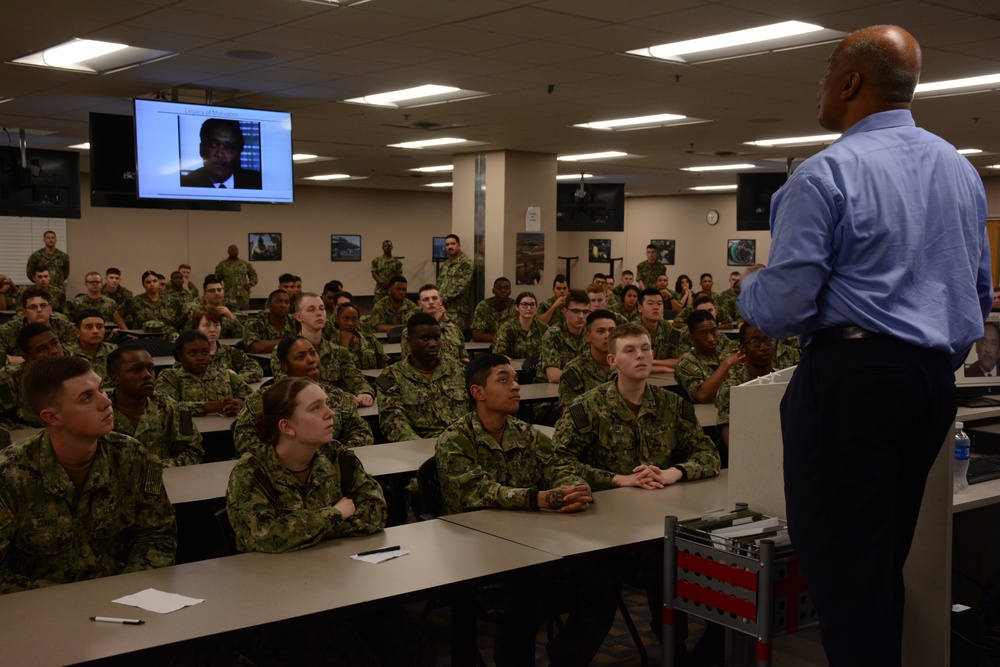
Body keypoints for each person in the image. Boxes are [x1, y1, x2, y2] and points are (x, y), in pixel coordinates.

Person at [737, 26, 991, 666]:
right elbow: (978, 289)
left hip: (852, 381)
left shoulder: (825, 175)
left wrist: (751, 290)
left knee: (846, 573)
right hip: (931, 383)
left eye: (826, 70)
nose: (820, 85)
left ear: (850, 82)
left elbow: (786, 308)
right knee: (880, 562)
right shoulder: (961, 172)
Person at [226, 377, 428, 667]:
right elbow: (266, 535)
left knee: (410, 637)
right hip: (282, 598)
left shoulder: (338, 456)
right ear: (287, 426)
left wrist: (306, 530)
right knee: (340, 653)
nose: (330, 413)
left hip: (342, 581)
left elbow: (375, 511)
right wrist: (335, 513)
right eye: (316, 408)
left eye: (328, 404)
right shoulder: (250, 473)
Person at [436, 354, 620, 667]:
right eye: (503, 380)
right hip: (483, 560)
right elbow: (476, 492)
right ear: (478, 392)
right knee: (525, 599)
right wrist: (538, 499)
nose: (516, 387)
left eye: (516, 379)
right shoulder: (455, 440)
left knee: (603, 584)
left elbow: (558, 467)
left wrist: (573, 488)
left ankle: (564, 660)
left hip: (537, 550)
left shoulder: (526, 433)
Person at [0, 355, 176, 594]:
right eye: (86, 397)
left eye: (102, 389)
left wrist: (129, 590)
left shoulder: (132, 456)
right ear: (52, 417)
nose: (106, 402)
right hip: (40, 612)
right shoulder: (9, 475)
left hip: (123, 601)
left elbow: (156, 536)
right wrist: (71, 602)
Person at [233, 336, 373, 457]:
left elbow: (362, 432)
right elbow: (245, 442)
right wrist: (297, 459)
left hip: (332, 469)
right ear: (284, 366)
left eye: (313, 353)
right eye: (300, 357)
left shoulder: (337, 396)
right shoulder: (262, 401)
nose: (311, 360)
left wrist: (333, 456)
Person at [269, 292, 374, 406]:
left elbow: (356, 379)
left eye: (321, 309)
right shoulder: (283, 350)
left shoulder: (338, 351)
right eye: (311, 310)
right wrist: (342, 398)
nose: (319, 313)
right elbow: (289, 388)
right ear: (298, 317)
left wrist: (365, 393)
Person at [376, 312, 468, 442]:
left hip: (464, 443)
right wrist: (419, 446)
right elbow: (393, 422)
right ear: (409, 341)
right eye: (425, 338)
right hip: (421, 448)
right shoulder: (391, 377)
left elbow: (476, 410)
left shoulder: (457, 369)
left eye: (436, 338)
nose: (433, 344)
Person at [108, 344, 204, 468]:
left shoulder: (170, 405)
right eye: (137, 370)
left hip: (166, 480)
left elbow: (194, 451)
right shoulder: (100, 411)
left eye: (150, 368)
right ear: (115, 379)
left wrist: (156, 470)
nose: (147, 375)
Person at [715, 324, 786, 450]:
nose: (764, 347)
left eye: (769, 340)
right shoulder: (733, 388)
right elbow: (733, 445)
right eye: (755, 342)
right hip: (751, 452)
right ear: (743, 349)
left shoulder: (785, 380)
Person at [154, 330, 249, 417]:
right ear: (180, 355)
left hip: (224, 428)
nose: (200, 358)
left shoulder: (222, 374)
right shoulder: (170, 377)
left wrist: (236, 404)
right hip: (187, 432)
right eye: (192, 354)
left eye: (205, 352)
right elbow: (164, 406)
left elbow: (251, 396)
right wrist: (210, 407)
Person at [0, 324, 66, 429]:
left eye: (54, 343)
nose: (53, 351)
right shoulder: (10, 377)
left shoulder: (77, 370)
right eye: (42, 349)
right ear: (28, 358)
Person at [674, 310, 741, 404]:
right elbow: (702, 396)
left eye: (713, 331)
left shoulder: (724, 353)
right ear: (691, 337)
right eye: (703, 334)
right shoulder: (686, 363)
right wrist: (726, 364)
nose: (711, 338)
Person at [181, 118, 262, 189]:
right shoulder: (187, 184)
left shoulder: (257, 182)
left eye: (228, 148)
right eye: (214, 145)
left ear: (238, 155)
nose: (219, 154)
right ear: (201, 149)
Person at [559, 309, 616, 408]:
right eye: (600, 331)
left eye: (612, 331)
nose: (607, 336)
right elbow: (572, 413)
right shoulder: (573, 370)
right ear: (588, 336)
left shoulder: (624, 364)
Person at [192, 306, 263, 384]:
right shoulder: (190, 355)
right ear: (196, 328)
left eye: (216, 325)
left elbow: (256, 369)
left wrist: (236, 378)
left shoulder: (230, 352)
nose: (213, 330)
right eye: (207, 325)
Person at [399, 284, 469, 362]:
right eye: (426, 299)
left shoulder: (452, 328)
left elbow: (464, 357)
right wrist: (436, 321)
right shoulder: (411, 331)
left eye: (435, 298)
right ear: (420, 304)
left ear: (441, 301)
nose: (431, 302)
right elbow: (408, 362)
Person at [0, 287, 76, 358]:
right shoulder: (9, 330)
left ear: (50, 309)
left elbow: (77, 350)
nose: (39, 310)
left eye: (43, 305)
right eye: (33, 307)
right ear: (24, 312)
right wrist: (26, 360)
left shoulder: (65, 327)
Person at [536, 290, 590, 384]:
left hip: (580, 389)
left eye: (585, 312)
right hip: (550, 391)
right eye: (575, 311)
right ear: (565, 312)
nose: (581, 316)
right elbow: (553, 376)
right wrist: (587, 377)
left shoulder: (590, 333)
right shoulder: (553, 335)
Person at [637, 288, 686, 373]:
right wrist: (664, 368)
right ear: (640, 308)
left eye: (659, 304)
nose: (656, 307)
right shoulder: (633, 330)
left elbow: (679, 360)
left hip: (667, 380)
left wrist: (653, 362)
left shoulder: (669, 328)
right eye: (650, 303)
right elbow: (633, 365)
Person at [121, 270, 181, 335]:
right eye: (148, 282)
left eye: (155, 281)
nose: (152, 284)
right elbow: (117, 315)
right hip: (143, 337)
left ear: (158, 283)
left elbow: (180, 320)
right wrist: (127, 333)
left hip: (167, 337)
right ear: (143, 285)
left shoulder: (171, 300)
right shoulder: (135, 301)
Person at [491, 291, 548, 360]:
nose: (529, 308)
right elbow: (498, 354)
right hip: (513, 368)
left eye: (532, 305)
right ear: (517, 307)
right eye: (524, 304)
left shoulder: (543, 328)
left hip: (537, 368)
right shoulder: (507, 328)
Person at [64, 309, 117, 382]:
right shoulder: (66, 352)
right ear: (78, 332)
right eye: (89, 327)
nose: (95, 331)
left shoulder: (113, 350)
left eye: (99, 327)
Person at [335, 302, 388, 370]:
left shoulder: (369, 339)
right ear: (337, 320)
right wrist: (345, 343)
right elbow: (340, 369)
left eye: (354, 319)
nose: (350, 323)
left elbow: (384, 365)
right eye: (346, 319)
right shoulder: (332, 343)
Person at [437, 233, 473, 327]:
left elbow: (461, 287)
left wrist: (443, 299)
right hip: (441, 307)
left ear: (459, 245)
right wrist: (437, 299)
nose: (450, 247)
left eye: (453, 244)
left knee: (454, 336)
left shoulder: (466, 264)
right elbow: (439, 283)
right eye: (447, 245)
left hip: (457, 310)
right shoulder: (446, 264)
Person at [243, 289, 296, 354]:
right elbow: (255, 348)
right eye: (278, 302)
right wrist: (289, 341)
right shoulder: (254, 323)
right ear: (269, 305)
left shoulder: (296, 321)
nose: (283, 305)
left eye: (287, 302)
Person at [471, 276, 515, 342]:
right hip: (485, 347)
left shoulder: (515, 306)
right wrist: (501, 339)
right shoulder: (483, 306)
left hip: (508, 348)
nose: (503, 291)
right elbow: (477, 335)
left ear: (510, 292)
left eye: (506, 288)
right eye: (499, 288)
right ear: (493, 291)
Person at [214, 244, 259, 310]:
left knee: (245, 317)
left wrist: (250, 284)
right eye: (232, 249)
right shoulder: (222, 265)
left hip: (243, 296)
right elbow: (216, 279)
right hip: (229, 297)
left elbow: (254, 275)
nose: (234, 251)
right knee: (231, 317)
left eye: (236, 250)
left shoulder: (244, 264)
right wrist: (220, 290)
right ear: (228, 251)